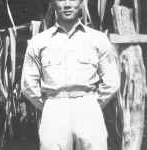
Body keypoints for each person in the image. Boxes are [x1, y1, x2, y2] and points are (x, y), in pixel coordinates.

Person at [21, 0, 120, 149]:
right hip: (54, 110)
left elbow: (112, 81)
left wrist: (91, 103)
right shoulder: (39, 42)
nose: (67, 4)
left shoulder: (98, 39)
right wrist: (50, 105)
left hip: (88, 109)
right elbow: (28, 84)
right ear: (53, 4)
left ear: (81, 3)